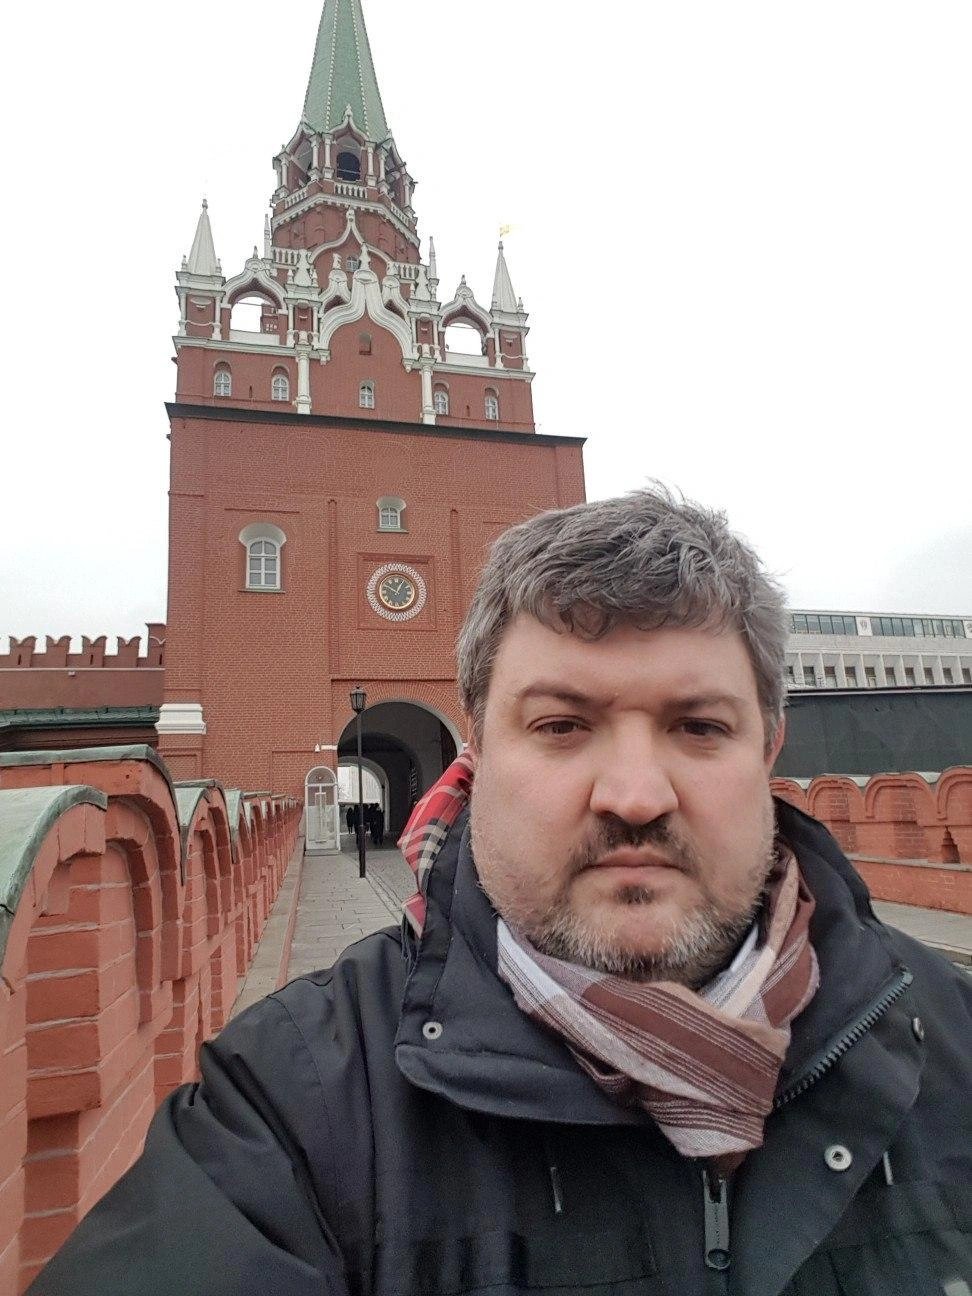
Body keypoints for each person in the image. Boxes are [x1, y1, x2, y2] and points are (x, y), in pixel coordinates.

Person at [29, 488, 972, 1295]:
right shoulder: (293, 1108)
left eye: (698, 726)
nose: (635, 795)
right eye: (562, 725)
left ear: (769, 749)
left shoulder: (951, 1035)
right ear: (477, 749)